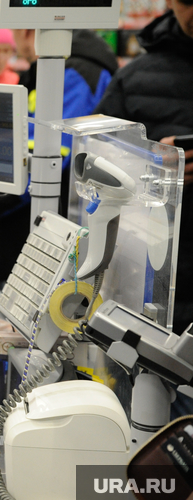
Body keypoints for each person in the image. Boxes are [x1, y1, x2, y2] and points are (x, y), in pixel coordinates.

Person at [0, 29, 118, 283]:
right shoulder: (46, 67)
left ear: (27, 30)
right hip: (26, 226)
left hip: (47, 234)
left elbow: (39, 163)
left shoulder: (71, 74)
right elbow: (6, 146)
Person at [94, 0, 193, 336]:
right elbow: (94, 165)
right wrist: (151, 164)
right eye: (187, 2)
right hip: (159, 286)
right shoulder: (134, 78)